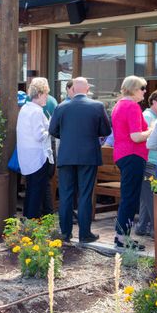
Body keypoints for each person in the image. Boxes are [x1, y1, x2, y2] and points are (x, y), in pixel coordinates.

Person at [49, 77, 111, 243]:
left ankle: (65, 233)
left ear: (73, 89)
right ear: (87, 89)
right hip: (88, 155)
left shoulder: (61, 107)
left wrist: (67, 136)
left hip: (67, 155)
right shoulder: (97, 106)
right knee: (85, 194)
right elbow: (106, 130)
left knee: (66, 194)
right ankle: (84, 233)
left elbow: (52, 130)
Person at [111, 76, 152, 250]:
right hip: (133, 154)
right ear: (134, 89)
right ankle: (123, 239)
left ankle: (120, 236)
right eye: (142, 88)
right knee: (130, 198)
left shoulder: (119, 105)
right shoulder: (132, 106)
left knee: (128, 196)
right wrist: (152, 130)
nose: (144, 91)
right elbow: (136, 136)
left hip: (123, 155)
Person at [135, 89, 157, 238]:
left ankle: (142, 227)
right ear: (154, 102)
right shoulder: (148, 117)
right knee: (152, 197)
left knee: (147, 196)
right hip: (149, 161)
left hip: (152, 161)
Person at [17, 78, 54, 219]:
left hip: (27, 157)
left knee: (31, 190)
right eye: (46, 94)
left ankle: (28, 220)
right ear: (39, 94)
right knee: (36, 193)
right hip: (38, 157)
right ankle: (33, 221)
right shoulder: (37, 111)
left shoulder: (25, 109)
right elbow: (39, 136)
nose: (47, 97)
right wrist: (50, 128)